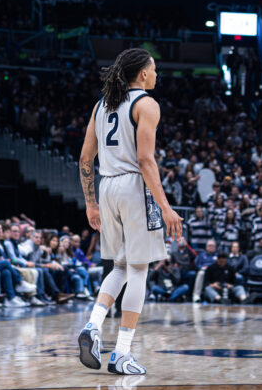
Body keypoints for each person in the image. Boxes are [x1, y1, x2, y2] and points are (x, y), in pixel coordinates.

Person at [77, 48, 183, 375]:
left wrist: (90, 202)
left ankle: (93, 327)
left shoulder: (101, 105)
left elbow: (84, 160)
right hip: (133, 186)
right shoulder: (147, 104)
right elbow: (145, 160)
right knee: (139, 270)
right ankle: (121, 353)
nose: (157, 74)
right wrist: (166, 207)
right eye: (154, 69)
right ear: (142, 74)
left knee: (120, 265)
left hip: (107, 187)